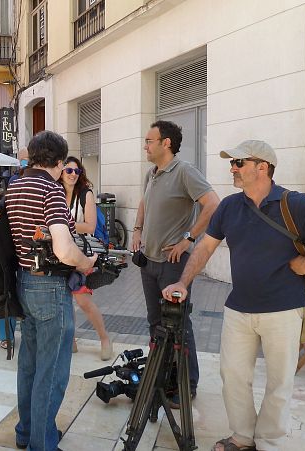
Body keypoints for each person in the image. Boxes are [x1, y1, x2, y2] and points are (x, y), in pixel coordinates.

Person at [163, 140, 305, 451]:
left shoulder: (293, 202)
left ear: (262, 167)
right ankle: (242, 437)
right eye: (232, 163)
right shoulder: (228, 206)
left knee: (280, 382)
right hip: (239, 308)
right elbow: (206, 247)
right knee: (233, 376)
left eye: (239, 162)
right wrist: (184, 282)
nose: (232, 169)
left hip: (284, 309)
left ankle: (268, 442)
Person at [7, 130, 97, 451]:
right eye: (64, 166)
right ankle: (41, 444)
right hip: (49, 285)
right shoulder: (51, 189)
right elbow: (63, 249)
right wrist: (85, 262)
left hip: (22, 281)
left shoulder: (15, 185)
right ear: (59, 162)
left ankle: (26, 431)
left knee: (29, 364)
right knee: (53, 369)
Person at [130, 120, 220, 407]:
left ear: (166, 143)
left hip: (173, 264)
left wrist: (188, 239)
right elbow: (144, 202)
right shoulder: (151, 173)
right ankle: (163, 376)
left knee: (179, 325)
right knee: (155, 323)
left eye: (149, 140)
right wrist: (137, 229)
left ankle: (186, 385)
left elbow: (213, 203)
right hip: (150, 262)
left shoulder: (184, 171)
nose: (145, 145)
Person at [60, 156, 112, 361]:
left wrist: (62, 225)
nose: (73, 174)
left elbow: (90, 226)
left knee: (82, 299)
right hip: (59, 251)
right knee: (63, 299)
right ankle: (70, 339)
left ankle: (105, 339)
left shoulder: (86, 194)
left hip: (82, 251)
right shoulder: (55, 192)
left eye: (77, 171)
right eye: (68, 170)